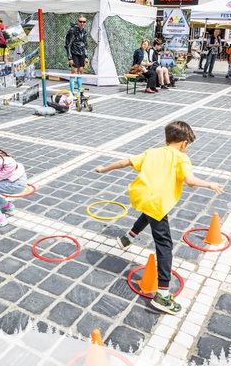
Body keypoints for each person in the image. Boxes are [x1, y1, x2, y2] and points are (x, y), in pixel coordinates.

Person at [95, 121, 223, 315]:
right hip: (157, 202)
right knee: (165, 245)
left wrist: (103, 168)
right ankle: (162, 295)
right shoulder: (182, 158)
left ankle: (128, 237)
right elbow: (189, 179)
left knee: (151, 212)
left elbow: (124, 162)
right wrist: (209, 184)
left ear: (167, 139)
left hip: (141, 195)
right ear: (184, 143)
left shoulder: (152, 152)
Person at [65, 15, 89, 94]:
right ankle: (72, 92)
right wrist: (70, 58)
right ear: (77, 22)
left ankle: (79, 91)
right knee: (73, 72)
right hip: (74, 53)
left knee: (81, 71)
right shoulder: (72, 31)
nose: (82, 23)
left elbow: (85, 44)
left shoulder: (84, 31)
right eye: (80, 21)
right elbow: (68, 45)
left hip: (81, 53)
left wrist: (86, 56)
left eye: (84, 22)